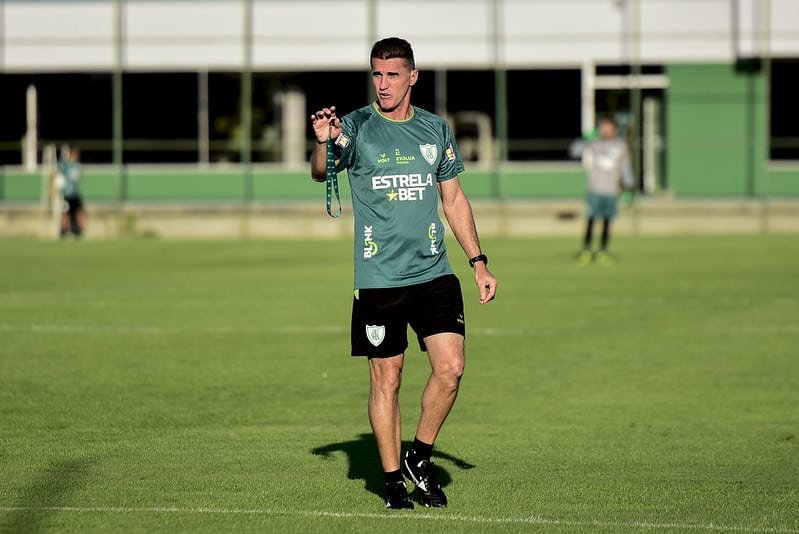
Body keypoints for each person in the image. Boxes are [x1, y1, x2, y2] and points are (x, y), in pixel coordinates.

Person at [309, 37, 497, 510]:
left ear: (412, 77)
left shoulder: (435, 130)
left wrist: (478, 262)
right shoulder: (355, 126)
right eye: (376, 74)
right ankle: (394, 481)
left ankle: (419, 454)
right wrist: (322, 143)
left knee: (451, 369)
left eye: (393, 74)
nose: (384, 83)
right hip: (379, 278)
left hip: (434, 271)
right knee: (386, 380)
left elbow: (453, 198)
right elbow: (320, 170)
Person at [578, 116, 633, 265]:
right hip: (595, 188)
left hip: (611, 190)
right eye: (603, 127)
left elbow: (625, 167)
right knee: (590, 220)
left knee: (607, 222)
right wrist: (585, 139)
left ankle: (603, 251)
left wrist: (628, 187)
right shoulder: (594, 143)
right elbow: (573, 150)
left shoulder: (620, 146)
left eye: (608, 127)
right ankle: (586, 250)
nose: (605, 129)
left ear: (614, 129)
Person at [55, 146, 86, 238]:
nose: (76, 156)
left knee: (79, 211)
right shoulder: (64, 165)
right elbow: (57, 173)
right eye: (74, 154)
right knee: (65, 213)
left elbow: (78, 176)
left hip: (75, 194)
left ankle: (80, 231)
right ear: (70, 154)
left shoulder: (77, 165)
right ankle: (64, 231)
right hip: (67, 195)